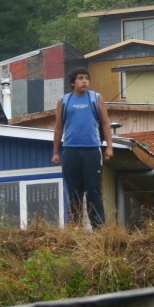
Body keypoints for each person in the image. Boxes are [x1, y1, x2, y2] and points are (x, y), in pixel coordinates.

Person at [52, 67, 114, 227]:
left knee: (93, 190)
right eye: (80, 78)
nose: (84, 81)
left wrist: (109, 147)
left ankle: (99, 228)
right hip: (70, 150)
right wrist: (56, 152)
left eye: (87, 78)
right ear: (73, 82)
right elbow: (58, 127)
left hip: (92, 150)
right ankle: (75, 226)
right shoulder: (64, 101)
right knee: (74, 192)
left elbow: (106, 123)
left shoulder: (95, 98)